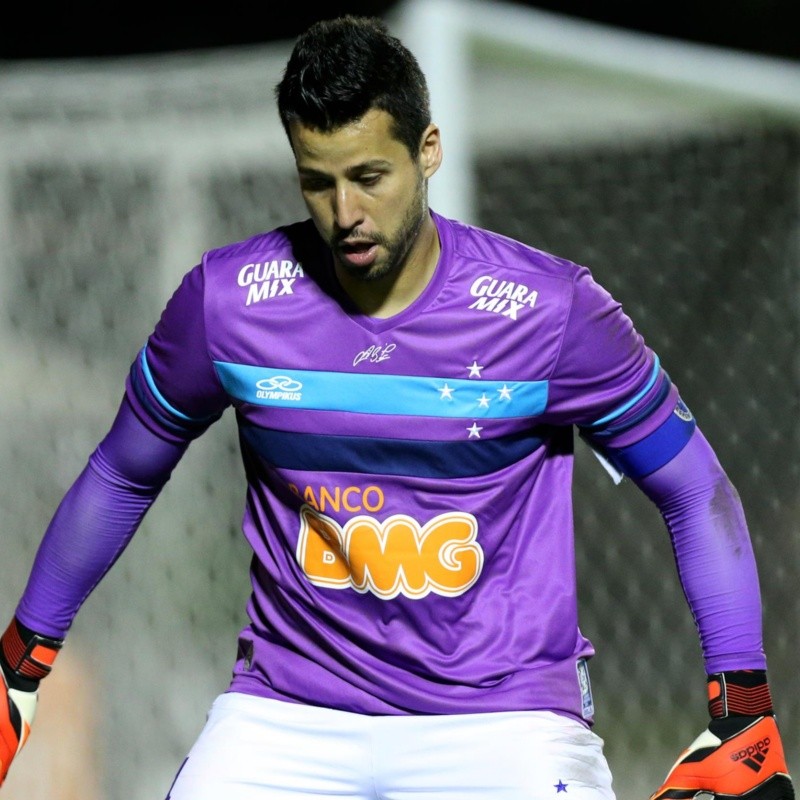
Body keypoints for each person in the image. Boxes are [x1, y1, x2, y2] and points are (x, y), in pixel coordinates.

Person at [0, 15, 794, 800]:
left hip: (503, 720)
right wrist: (16, 667)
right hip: (287, 714)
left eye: (369, 177)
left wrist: (743, 708)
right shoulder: (227, 303)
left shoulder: (554, 314)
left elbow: (695, 489)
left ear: (428, 152)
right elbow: (122, 474)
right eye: (318, 180)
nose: (345, 212)